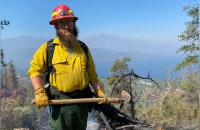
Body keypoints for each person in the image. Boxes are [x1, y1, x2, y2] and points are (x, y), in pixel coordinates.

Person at [28, 4, 107, 130]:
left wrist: (99, 91)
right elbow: (34, 70)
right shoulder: (48, 48)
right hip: (60, 105)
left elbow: (91, 74)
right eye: (62, 22)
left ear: (74, 23)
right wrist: (39, 91)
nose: (66, 26)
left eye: (69, 21)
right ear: (56, 26)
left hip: (82, 103)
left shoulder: (83, 48)